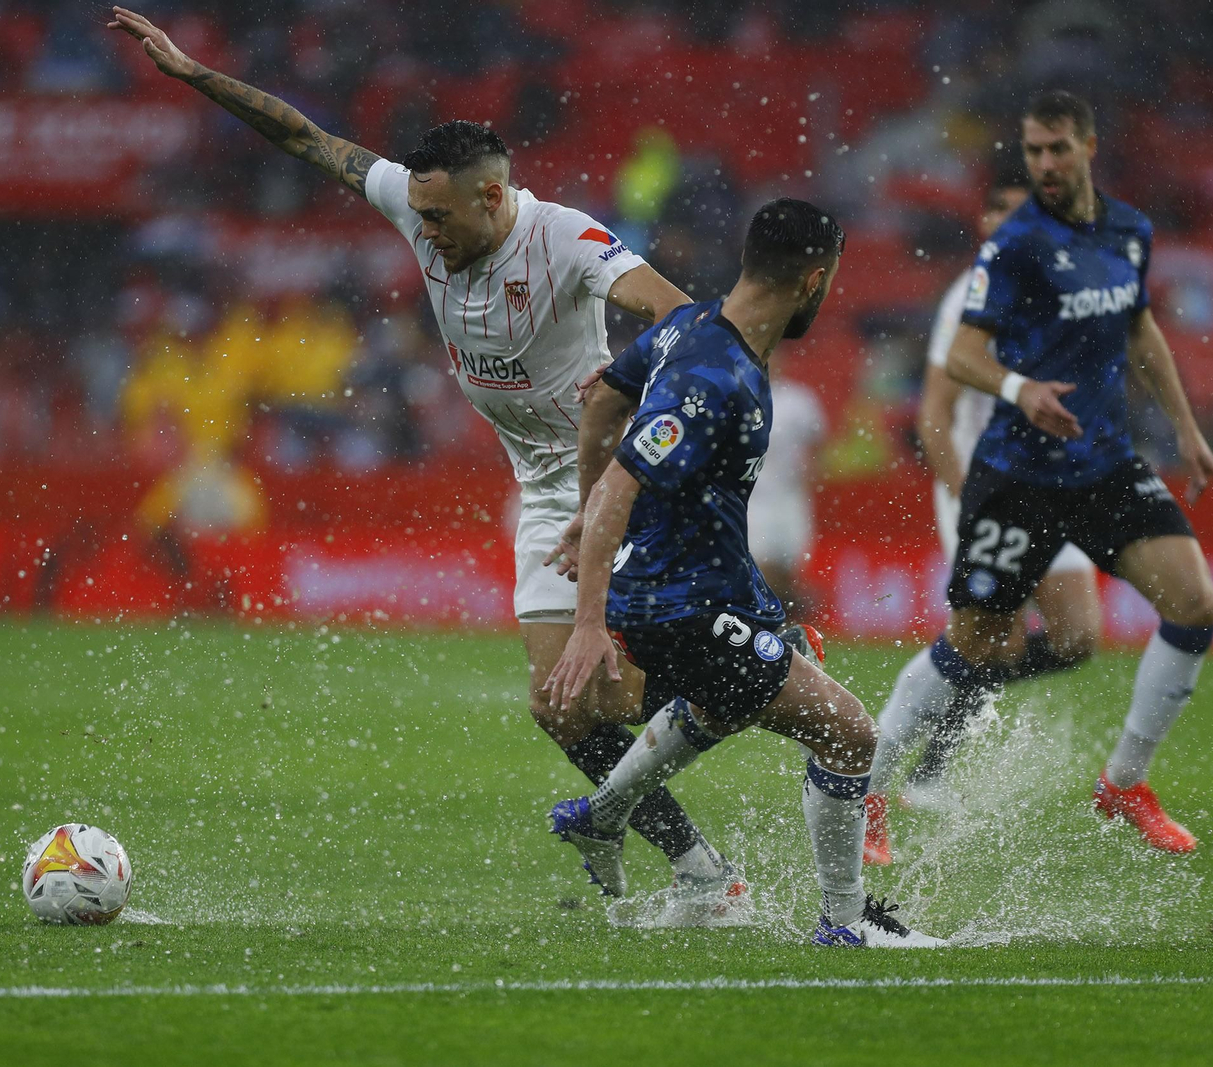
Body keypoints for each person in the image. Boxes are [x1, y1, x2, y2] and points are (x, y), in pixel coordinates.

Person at [110, 8, 750, 907]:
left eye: (443, 219)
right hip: (538, 483)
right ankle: (701, 868)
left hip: (620, 476)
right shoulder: (418, 205)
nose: (429, 237)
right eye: (421, 216)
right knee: (561, 706)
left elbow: (681, 315)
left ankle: (754, 668)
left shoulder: (565, 238)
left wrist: (651, 384)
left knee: (624, 690)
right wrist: (191, 74)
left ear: (494, 197)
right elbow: (307, 139)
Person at [544, 199, 941, 947]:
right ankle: (847, 922)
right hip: (682, 601)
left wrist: (583, 504)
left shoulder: (688, 325)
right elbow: (623, 479)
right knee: (849, 734)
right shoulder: (713, 374)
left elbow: (601, 401)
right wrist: (588, 617)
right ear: (815, 280)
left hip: (710, 588)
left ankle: (599, 816)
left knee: (726, 701)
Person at [864, 91, 1213, 864]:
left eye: (1057, 149)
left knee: (1193, 603)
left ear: (1089, 146)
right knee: (974, 648)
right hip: (1019, 477)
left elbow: (1140, 329)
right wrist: (1019, 389)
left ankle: (1124, 781)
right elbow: (962, 357)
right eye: (1034, 152)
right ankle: (867, 788)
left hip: (1103, 467)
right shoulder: (1017, 244)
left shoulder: (1129, 232)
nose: (1046, 166)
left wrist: (1188, 430)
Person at [872, 175, 1104, 825]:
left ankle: (927, 754)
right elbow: (935, 416)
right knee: (986, 642)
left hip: (1050, 487)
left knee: (1077, 637)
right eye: (1001, 211)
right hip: (984, 486)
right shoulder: (968, 299)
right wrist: (971, 500)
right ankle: (901, 771)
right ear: (984, 222)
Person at [745, 374, 825, 616]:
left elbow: (817, 443)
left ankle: (785, 616)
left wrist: (810, 471)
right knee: (762, 564)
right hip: (755, 498)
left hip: (791, 497)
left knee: (789, 566)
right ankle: (780, 612)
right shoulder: (740, 394)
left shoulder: (799, 400)